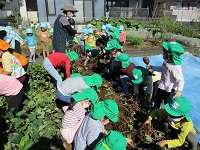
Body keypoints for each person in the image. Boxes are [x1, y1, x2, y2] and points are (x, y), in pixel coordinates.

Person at [148, 42, 185, 109]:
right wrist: (152, 67)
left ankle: (167, 117)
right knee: (157, 102)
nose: (163, 53)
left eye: (164, 52)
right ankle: (153, 115)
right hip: (162, 86)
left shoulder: (176, 67)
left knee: (168, 106)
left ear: (170, 54)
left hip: (170, 90)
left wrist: (179, 91)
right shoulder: (166, 62)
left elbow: (181, 80)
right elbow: (161, 68)